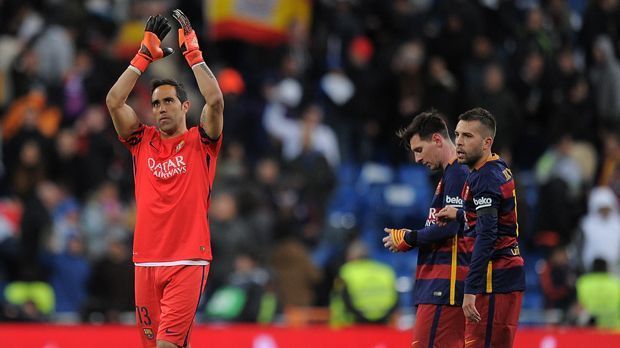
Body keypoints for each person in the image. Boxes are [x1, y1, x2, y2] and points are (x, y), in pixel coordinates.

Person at [105, 10, 224, 348]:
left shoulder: (202, 142)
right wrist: (143, 57)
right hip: (145, 261)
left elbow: (215, 101)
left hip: (187, 260)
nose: (161, 108)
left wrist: (194, 56)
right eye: (156, 103)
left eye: (169, 101)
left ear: (185, 106)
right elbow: (114, 102)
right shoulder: (141, 141)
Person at [437, 108, 525, 348]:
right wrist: (461, 214)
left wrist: (470, 290)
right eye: (457, 134)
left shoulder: (485, 177)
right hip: (504, 272)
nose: (459, 142)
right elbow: (493, 218)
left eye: (468, 136)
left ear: (487, 142)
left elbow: (486, 236)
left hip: (495, 275)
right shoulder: (494, 166)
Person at [382, 110, 469, 347]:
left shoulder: (457, 174)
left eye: (419, 150)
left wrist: (409, 237)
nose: (417, 159)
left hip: (445, 288)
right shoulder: (449, 176)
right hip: (439, 287)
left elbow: (450, 228)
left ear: (438, 140)